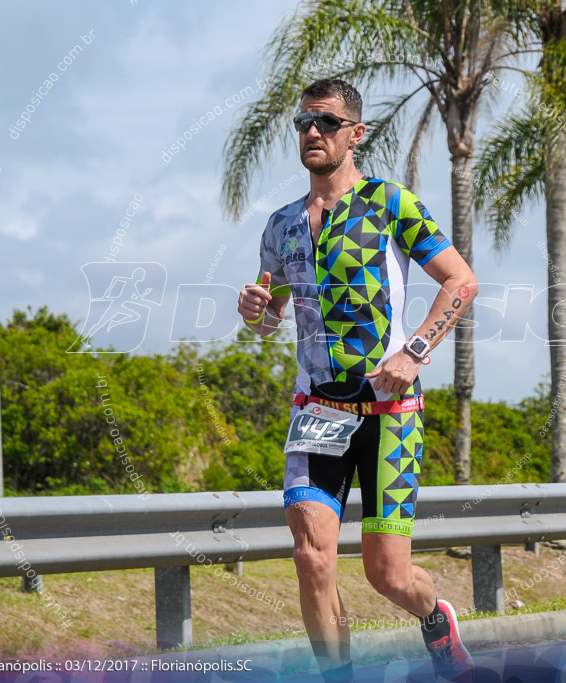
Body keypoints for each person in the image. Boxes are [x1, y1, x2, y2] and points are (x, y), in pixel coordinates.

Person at [236, 78, 477, 683]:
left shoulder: (389, 203)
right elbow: (271, 317)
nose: (311, 132)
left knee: (387, 576)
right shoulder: (282, 225)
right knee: (311, 557)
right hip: (316, 410)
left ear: (355, 133)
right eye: (303, 123)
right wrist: (257, 310)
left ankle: (435, 618)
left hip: (390, 415)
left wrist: (415, 351)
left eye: (325, 122)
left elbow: (461, 282)